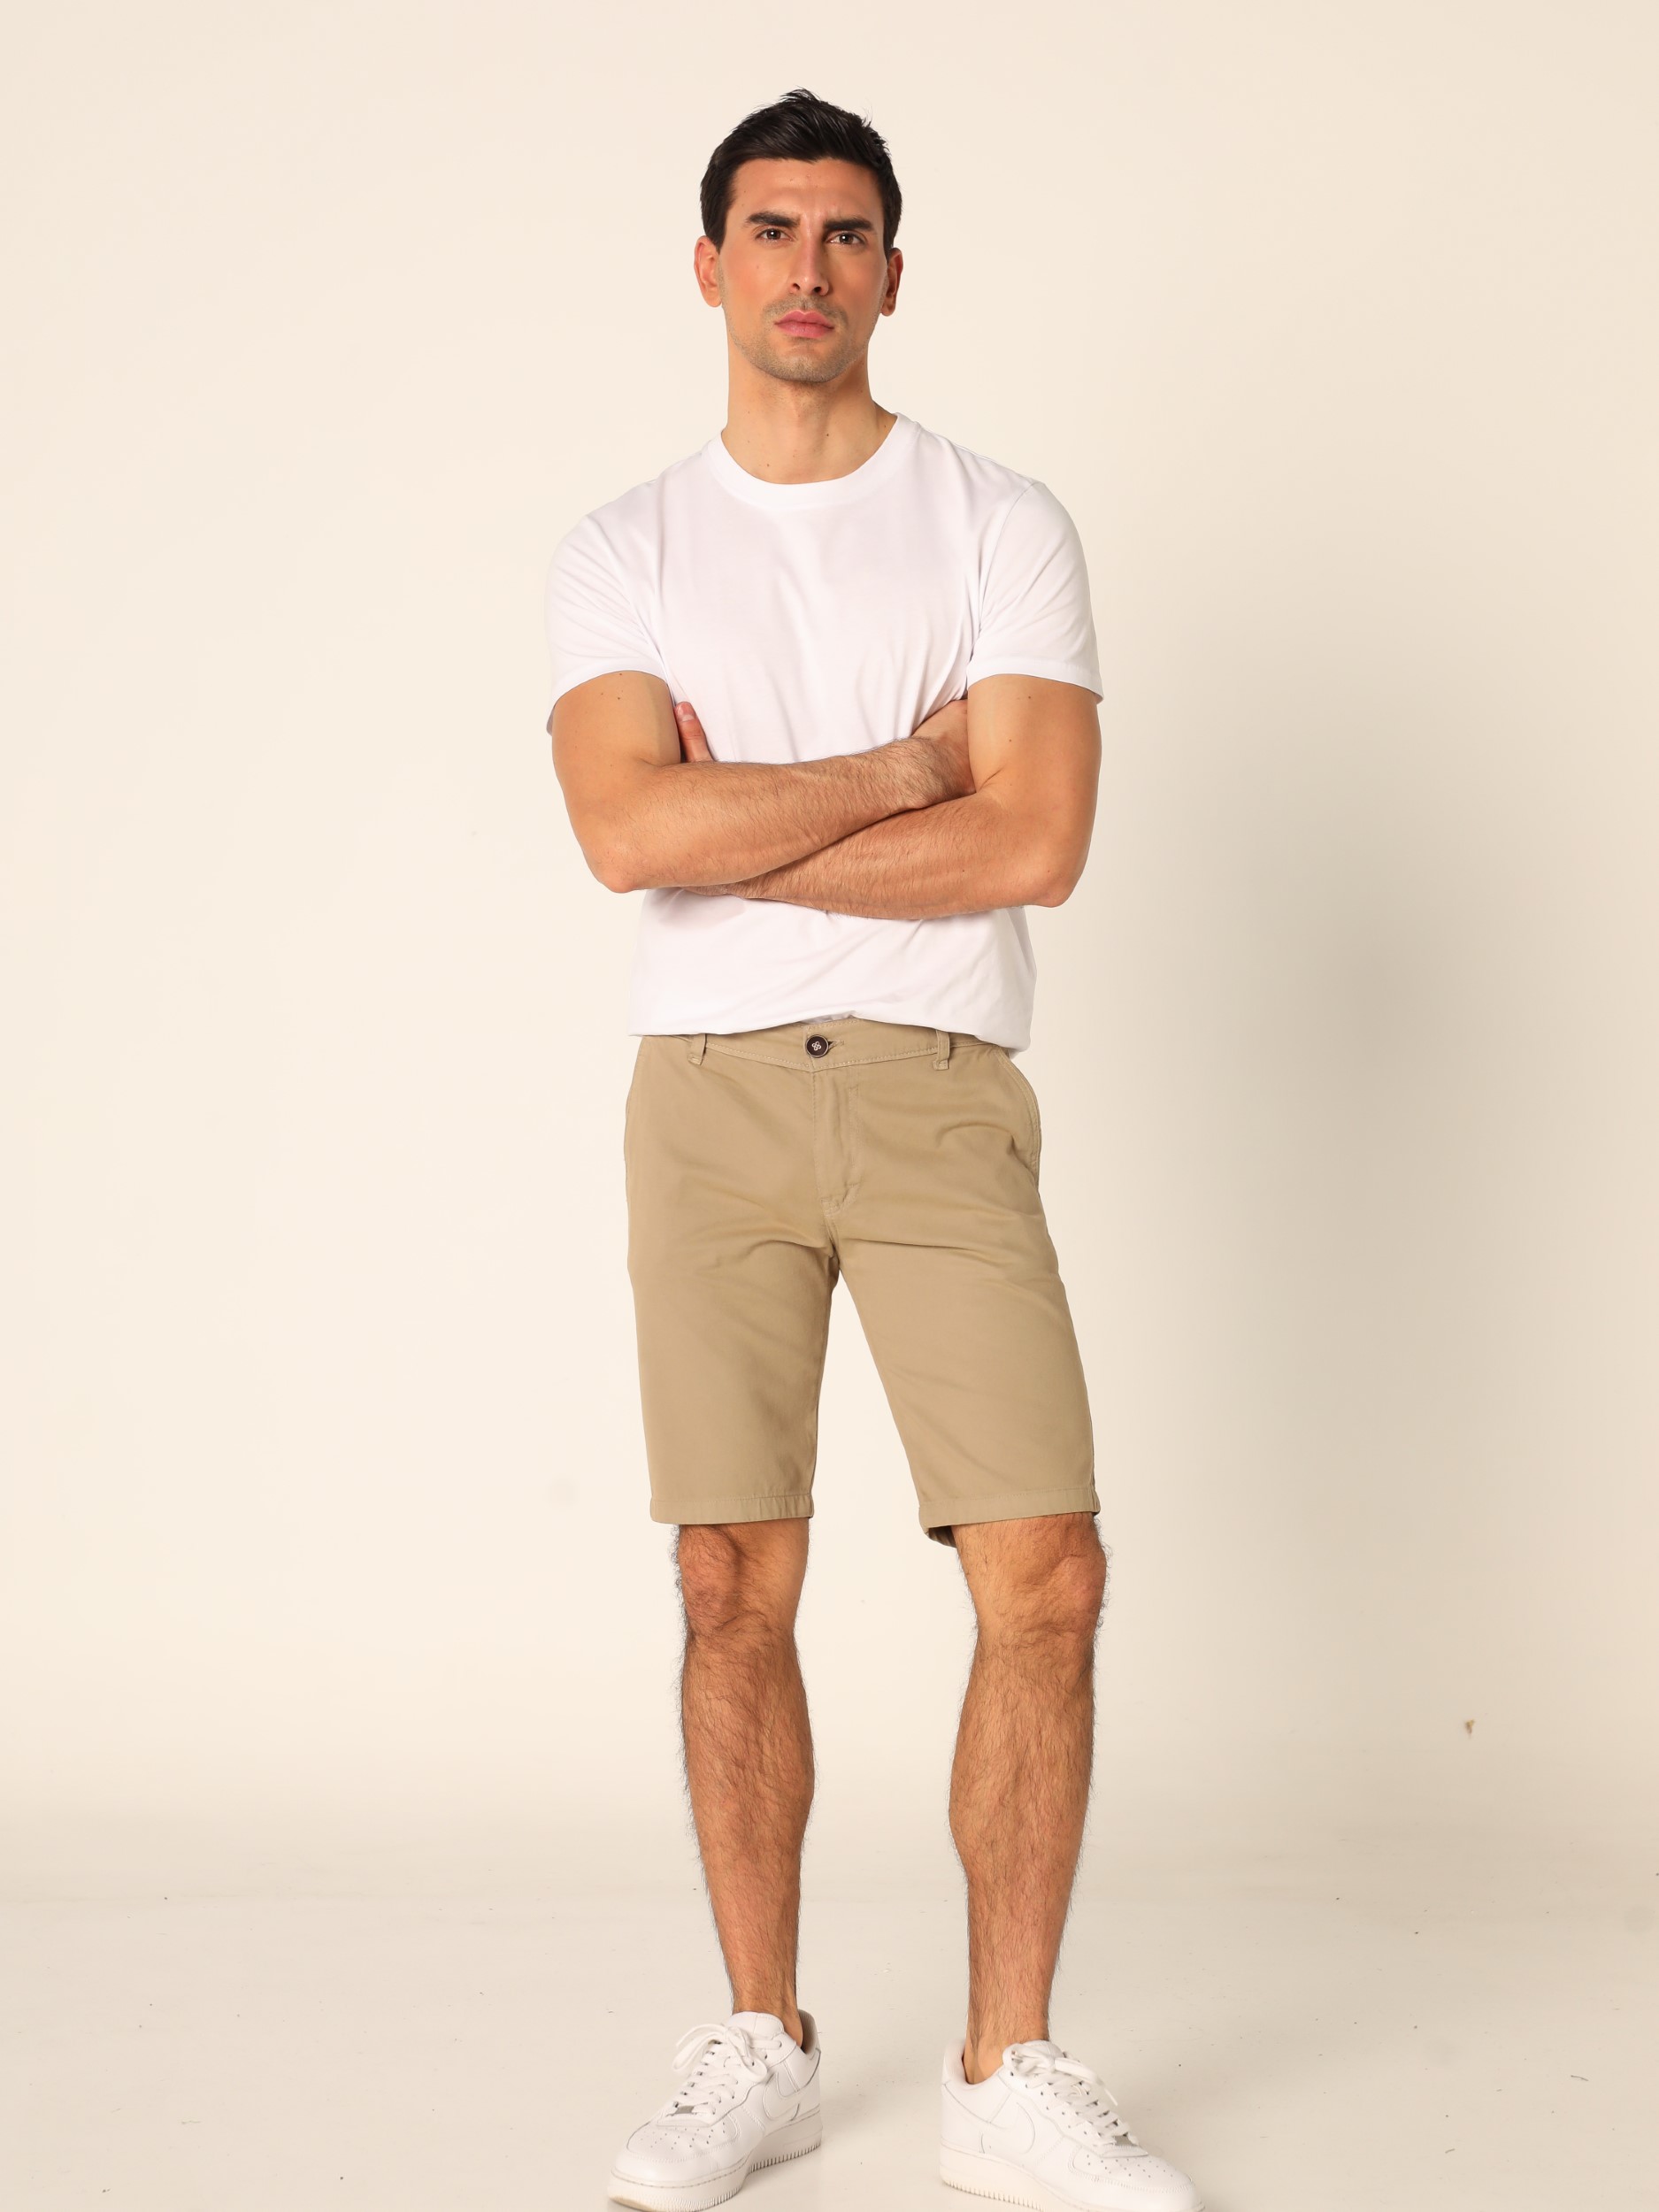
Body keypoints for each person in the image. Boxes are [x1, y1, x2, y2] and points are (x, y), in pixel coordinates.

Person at [544, 86, 1204, 2212]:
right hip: (708, 1101)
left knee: (1048, 1574)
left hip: (935, 1091)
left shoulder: (999, 522)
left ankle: (1006, 2064)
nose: (806, 268)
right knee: (725, 1579)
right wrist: (906, 766)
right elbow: (622, 829)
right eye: (770, 230)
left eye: (843, 234)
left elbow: (1038, 839)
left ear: (892, 274)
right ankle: (761, 2038)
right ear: (709, 266)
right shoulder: (627, 544)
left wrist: (750, 823)